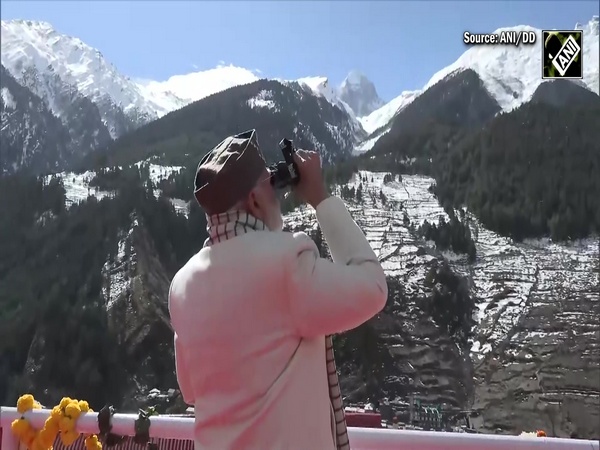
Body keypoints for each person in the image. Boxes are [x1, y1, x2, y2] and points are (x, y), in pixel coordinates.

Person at [168, 129, 388, 450]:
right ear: (255, 200)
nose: (279, 193)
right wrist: (320, 198)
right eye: (270, 183)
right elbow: (372, 287)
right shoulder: (286, 259)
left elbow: (190, 389)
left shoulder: (181, 285)